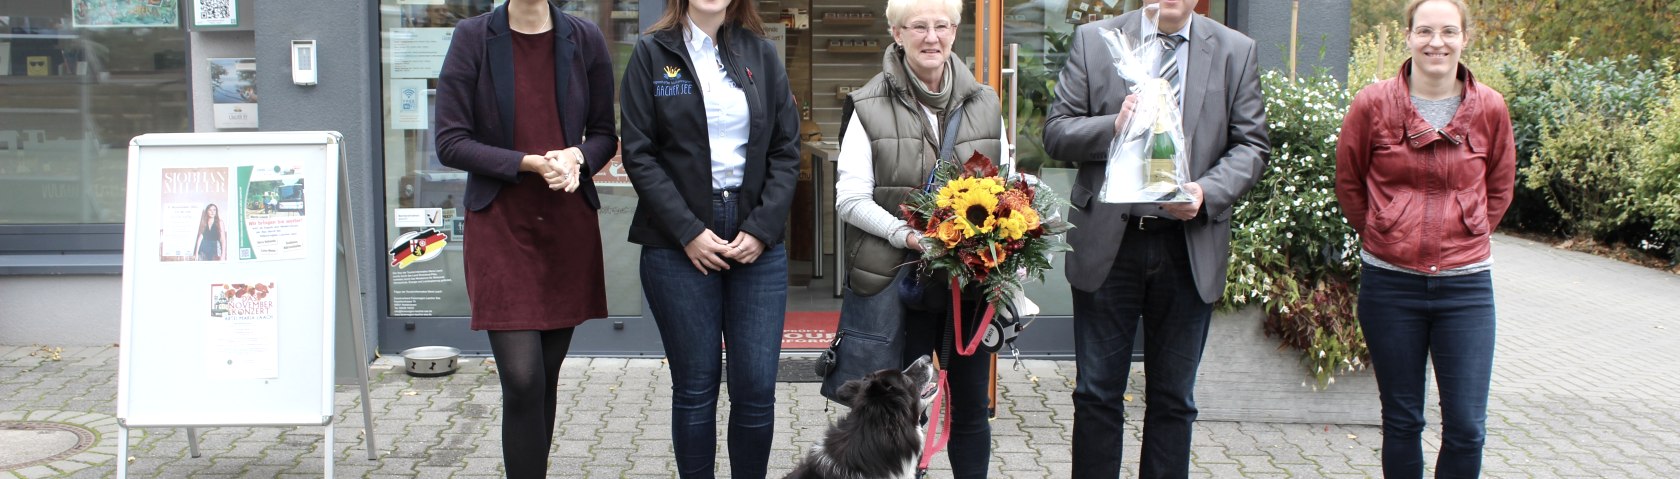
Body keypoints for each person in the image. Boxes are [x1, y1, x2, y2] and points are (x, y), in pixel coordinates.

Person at [1043, 0, 1268, 476]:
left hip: (1188, 244)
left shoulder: (1234, 50)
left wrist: (1207, 192)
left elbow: (1251, 145)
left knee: (1174, 399)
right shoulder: (1096, 41)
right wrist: (1114, 126)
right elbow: (1057, 133)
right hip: (1110, 245)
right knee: (1097, 393)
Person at [433, 0, 618, 476]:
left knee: (544, 380)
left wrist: (577, 157)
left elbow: (603, 134)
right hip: (500, 224)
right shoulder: (473, 37)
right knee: (521, 379)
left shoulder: (585, 38)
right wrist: (528, 163)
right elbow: (450, 141)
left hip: (565, 224)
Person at [618, 0, 800, 476]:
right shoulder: (651, 54)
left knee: (757, 389)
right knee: (696, 388)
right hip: (678, 244)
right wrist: (689, 232)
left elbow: (786, 150)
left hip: (754, 240)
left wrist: (761, 230)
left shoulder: (760, 54)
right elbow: (639, 154)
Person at [1334, 0, 1515, 476]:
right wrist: (1384, 229)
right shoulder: (1372, 104)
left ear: (1464, 38)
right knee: (1401, 421)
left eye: (1449, 31)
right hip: (1391, 286)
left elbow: (1499, 187)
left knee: (1467, 427)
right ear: (1409, 36)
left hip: (1467, 289)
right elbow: (1350, 183)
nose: (1437, 42)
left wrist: (1467, 232)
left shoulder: (1490, 107)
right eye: (1426, 31)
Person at [833, 0, 1004, 476]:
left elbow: (1007, 190)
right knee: (900, 414)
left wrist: (1008, 251)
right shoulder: (867, 104)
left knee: (970, 407)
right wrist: (908, 237)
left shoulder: (986, 102)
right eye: (918, 27)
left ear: (955, 31)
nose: (931, 37)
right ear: (896, 33)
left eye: (942, 26)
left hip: (966, 286)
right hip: (897, 284)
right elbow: (849, 199)